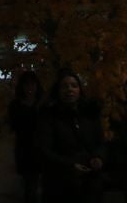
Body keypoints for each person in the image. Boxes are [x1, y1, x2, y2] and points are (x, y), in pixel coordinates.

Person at [36, 69, 105, 202]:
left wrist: (99, 158)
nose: (70, 90)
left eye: (74, 85)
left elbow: (100, 142)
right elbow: (45, 150)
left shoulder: (89, 114)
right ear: (58, 91)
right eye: (65, 86)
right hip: (60, 185)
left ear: (80, 89)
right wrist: (70, 165)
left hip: (90, 184)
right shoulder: (49, 116)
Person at [9, 71, 44, 203]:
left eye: (32, 84)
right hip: (25, 150)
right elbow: (15, 126)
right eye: (27, 85)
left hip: (42, 149)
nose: (30, 88)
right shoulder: (16, 106)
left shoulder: (42, 105)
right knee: (30, 186)